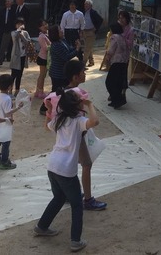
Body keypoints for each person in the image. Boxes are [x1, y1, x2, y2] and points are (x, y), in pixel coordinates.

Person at [34, 89, 100, 251]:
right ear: (77, 105)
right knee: (77, 204)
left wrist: (50, 111)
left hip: (53, 166)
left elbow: (46, 127)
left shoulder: (61, 119)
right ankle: (75, 241)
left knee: (58, 197)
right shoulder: (78, 121)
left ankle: (42, 226)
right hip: (66, 170)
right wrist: (90, 105)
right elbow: (95, 121)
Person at [43, 58, 107, 212]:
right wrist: (89, 104)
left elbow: (50, 119)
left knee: (74, 164)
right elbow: (91, 119)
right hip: (78, 135)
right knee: (86, 164)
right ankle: (88, 200)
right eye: (82, 72)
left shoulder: (57, 95)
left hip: (63, 135)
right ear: (75, 76)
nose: (84, 74)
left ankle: (66, 194)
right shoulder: (78, 94)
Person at [0, 73, 25, 170]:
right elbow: (8, 112)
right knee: (6, 143)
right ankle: (4, 162)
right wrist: (18, 107)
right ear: (9, 87)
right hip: (6, 123)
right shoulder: (7, 98)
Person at [105, 21, 131, 109]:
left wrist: (107, 57)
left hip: (116, 62)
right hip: (123, 62)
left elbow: (111, 50)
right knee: (118, 82)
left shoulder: (114, 38)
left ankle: (116, 99)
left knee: (109, 82)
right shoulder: (123, 37)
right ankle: (117, 100)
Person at [49, 25, 82, 94]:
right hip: (57, 74)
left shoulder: (62, 40)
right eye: (60, 30)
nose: (62, 31)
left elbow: (69, 49)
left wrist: (76, 46)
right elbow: (66, 57)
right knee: (57, 92)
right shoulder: (56, 45)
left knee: (65, 91)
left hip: (63, 72)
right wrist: (77, 50)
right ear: (55, 33)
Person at [10, 17, 31, 93]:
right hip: (15, 56)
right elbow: (15, 38)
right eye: (18, 24)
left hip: (23, 56)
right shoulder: (13, 32)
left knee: (20, 74)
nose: (20, 25)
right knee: (13, 74)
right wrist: (19, 31)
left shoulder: (25, 33)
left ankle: (17, 90)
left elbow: (28, 42)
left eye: (21, 24)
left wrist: (22, 35)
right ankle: (10, 89)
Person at [0, 0, 15, 67]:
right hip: (4, 30)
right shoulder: (2, 10)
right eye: (6, 1)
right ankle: (0, 60)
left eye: (9, 1)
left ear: (12, 3)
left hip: (12, 30)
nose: (7, 3)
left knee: (13, 47)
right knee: (2, 46)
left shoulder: (14, 10)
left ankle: (12, 61)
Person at [83, 0, 103, 68]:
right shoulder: (83, 12)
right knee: (89, 47)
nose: (85, 5)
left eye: (87, 4)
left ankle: (83, 64)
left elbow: (100, 20)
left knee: (87, 49)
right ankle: (91, 61)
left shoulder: (93, 12)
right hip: (84, 32)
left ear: (90, 6)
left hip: (91, 32)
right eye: (85, 4)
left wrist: (95, 28)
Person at [35, 20, 51, 98]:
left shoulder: (45, 35)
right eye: (43, 25)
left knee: (42, 75)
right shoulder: (42, 36)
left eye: (46, 24)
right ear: (39, 27)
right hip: (43, 58)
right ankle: (40, 91)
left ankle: (38, 91)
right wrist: (52, 46)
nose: (45, 26)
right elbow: (45, 48)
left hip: (44, 58)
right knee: (42, 75)